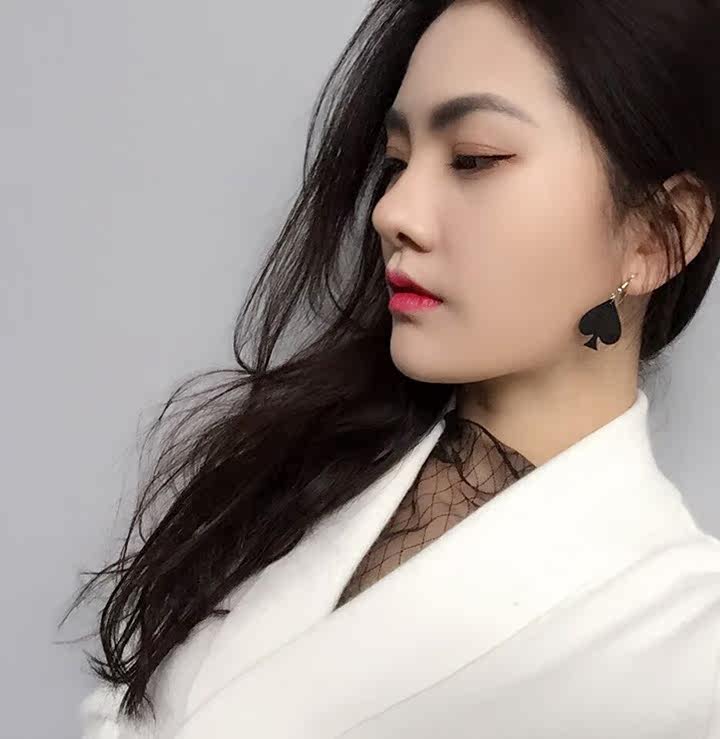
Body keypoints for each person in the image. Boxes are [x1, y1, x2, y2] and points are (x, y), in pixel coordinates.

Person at [68, 1, 720, 736]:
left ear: (658, 234)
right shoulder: (280, 476)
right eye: (398, 163)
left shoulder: (693, 651)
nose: (392, 211)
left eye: (474, 157)